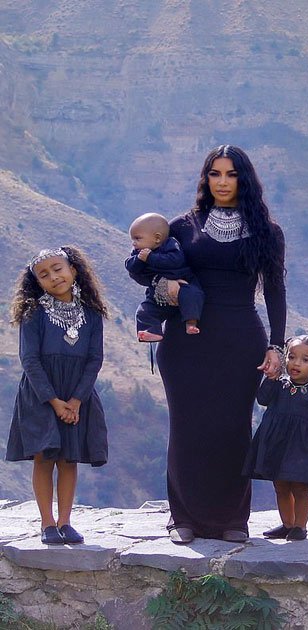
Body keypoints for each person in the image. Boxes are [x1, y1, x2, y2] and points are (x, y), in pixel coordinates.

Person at [128, 144, 287, 544]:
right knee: (187, 426)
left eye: (231, 174)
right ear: (206, 178)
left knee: (234, 428)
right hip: (186, 340)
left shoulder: (268, 232)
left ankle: (233, 519)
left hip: (241, 339)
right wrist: (164, 287)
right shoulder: (182, 226)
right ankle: (183, 517)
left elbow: (275, 291)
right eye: (215, 173)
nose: (222, 182)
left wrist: (277, 346)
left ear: (244, 179)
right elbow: (148, 271)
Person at [6, 246, 109, 545]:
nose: (53, 277)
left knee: (68, 459)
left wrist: (76, 400)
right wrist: (53, 401)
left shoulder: (91, 314)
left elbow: (95, 359)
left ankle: (66, 522)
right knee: (44, 457)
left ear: (73, 270)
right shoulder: (33, 312)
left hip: (78, 394)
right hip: (41, 394)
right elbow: (30, 359)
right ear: (37, 282)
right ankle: (47, 523)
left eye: (58, 269)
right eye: (44, 274)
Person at [244, 335, 308, 541]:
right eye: (292, 357)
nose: (296, 363)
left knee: (299, 487)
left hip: (302, 450)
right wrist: (270, 378)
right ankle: (287, 524)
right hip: (276, 445)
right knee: (280, 485)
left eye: (306, 360)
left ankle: (300, 527)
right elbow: (262, 399)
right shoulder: (278, 386)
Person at [125, 212, 204, 341]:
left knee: (192, 295)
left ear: (157, 238)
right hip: (156, 292)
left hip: (184, 282)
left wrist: (150, 258)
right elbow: (131, 268)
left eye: (138, 238)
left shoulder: (170, 245)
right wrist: (139, 260)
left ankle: (191, 322)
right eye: (133, 240)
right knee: (143, 311)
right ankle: (151, 331)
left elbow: (175, 261)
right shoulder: (139, 252)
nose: (134, 243)